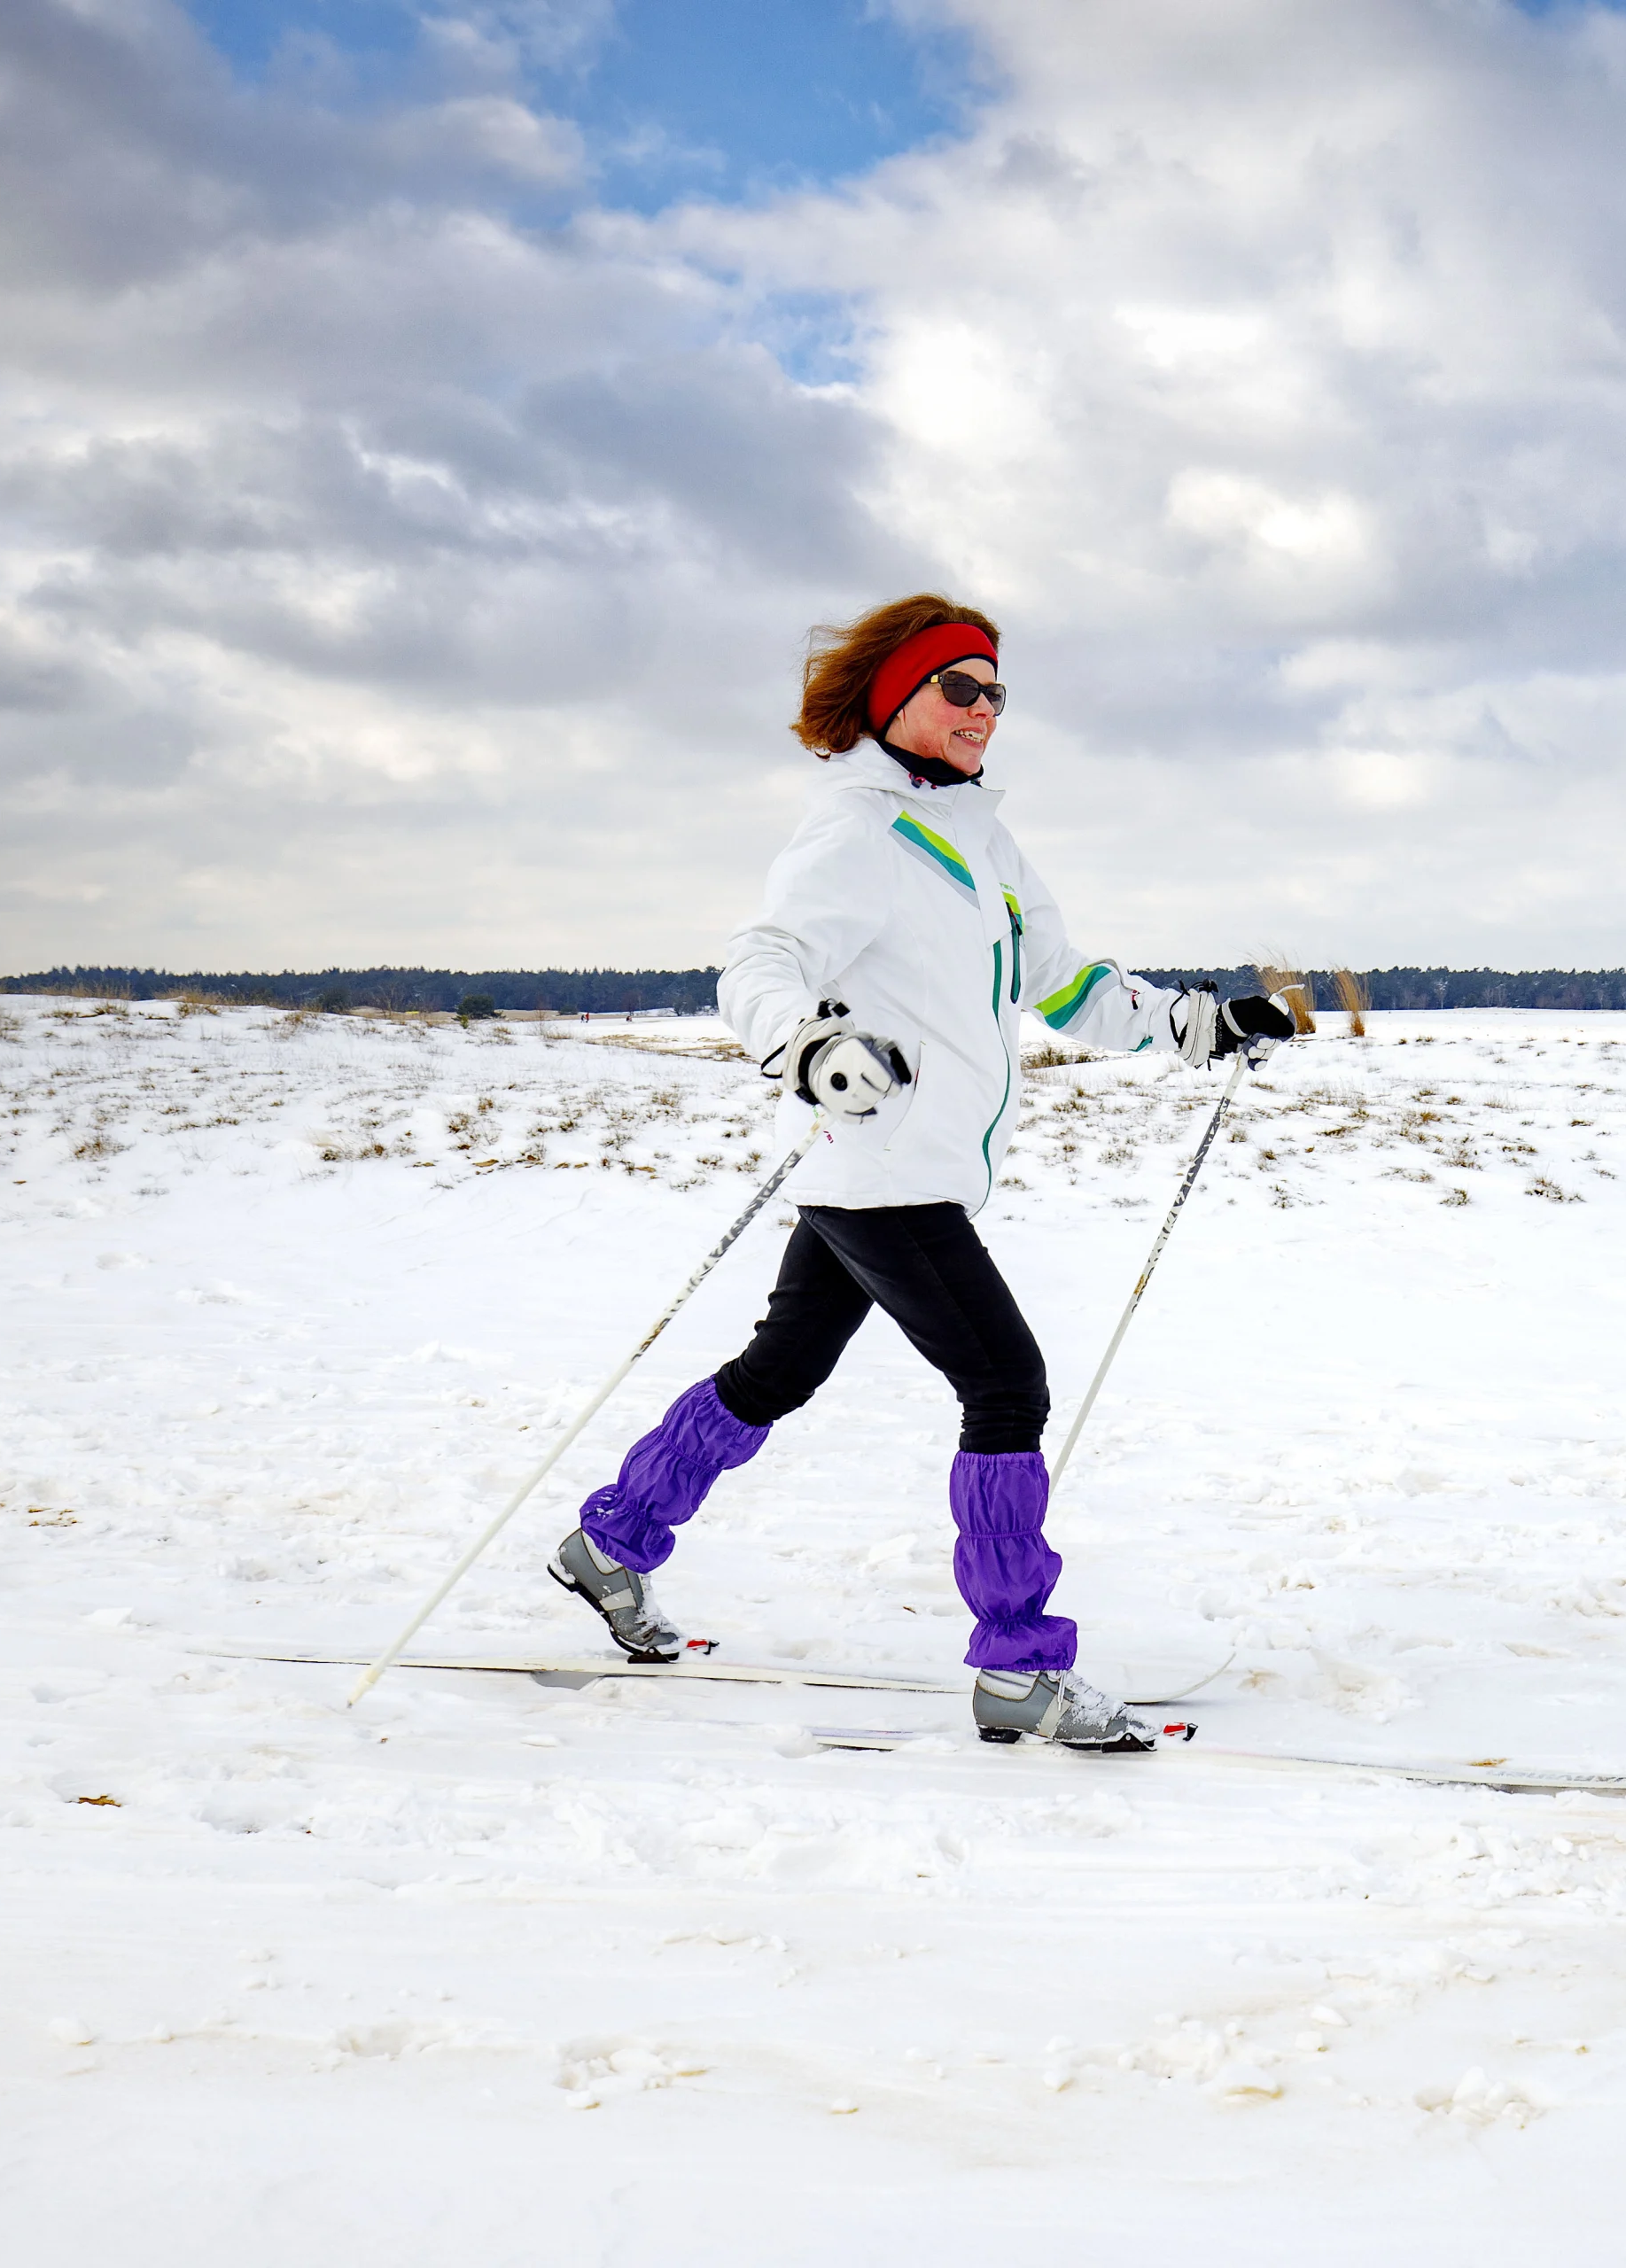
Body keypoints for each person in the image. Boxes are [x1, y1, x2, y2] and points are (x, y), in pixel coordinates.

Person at [546, 595, 1298, 1751]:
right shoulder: (857, 831)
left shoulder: (982, 840)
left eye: (997, 691)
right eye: (959, 687)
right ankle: (1019, 1669)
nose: (984, 709)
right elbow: (763, 963)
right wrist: (811, 1048)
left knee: (776, 1372)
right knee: (1007, 1386)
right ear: (895, 695)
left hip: (902, 1170)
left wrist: (1197, 1021)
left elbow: (1064, 987)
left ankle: (613, 1541)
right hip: (886, 1166)